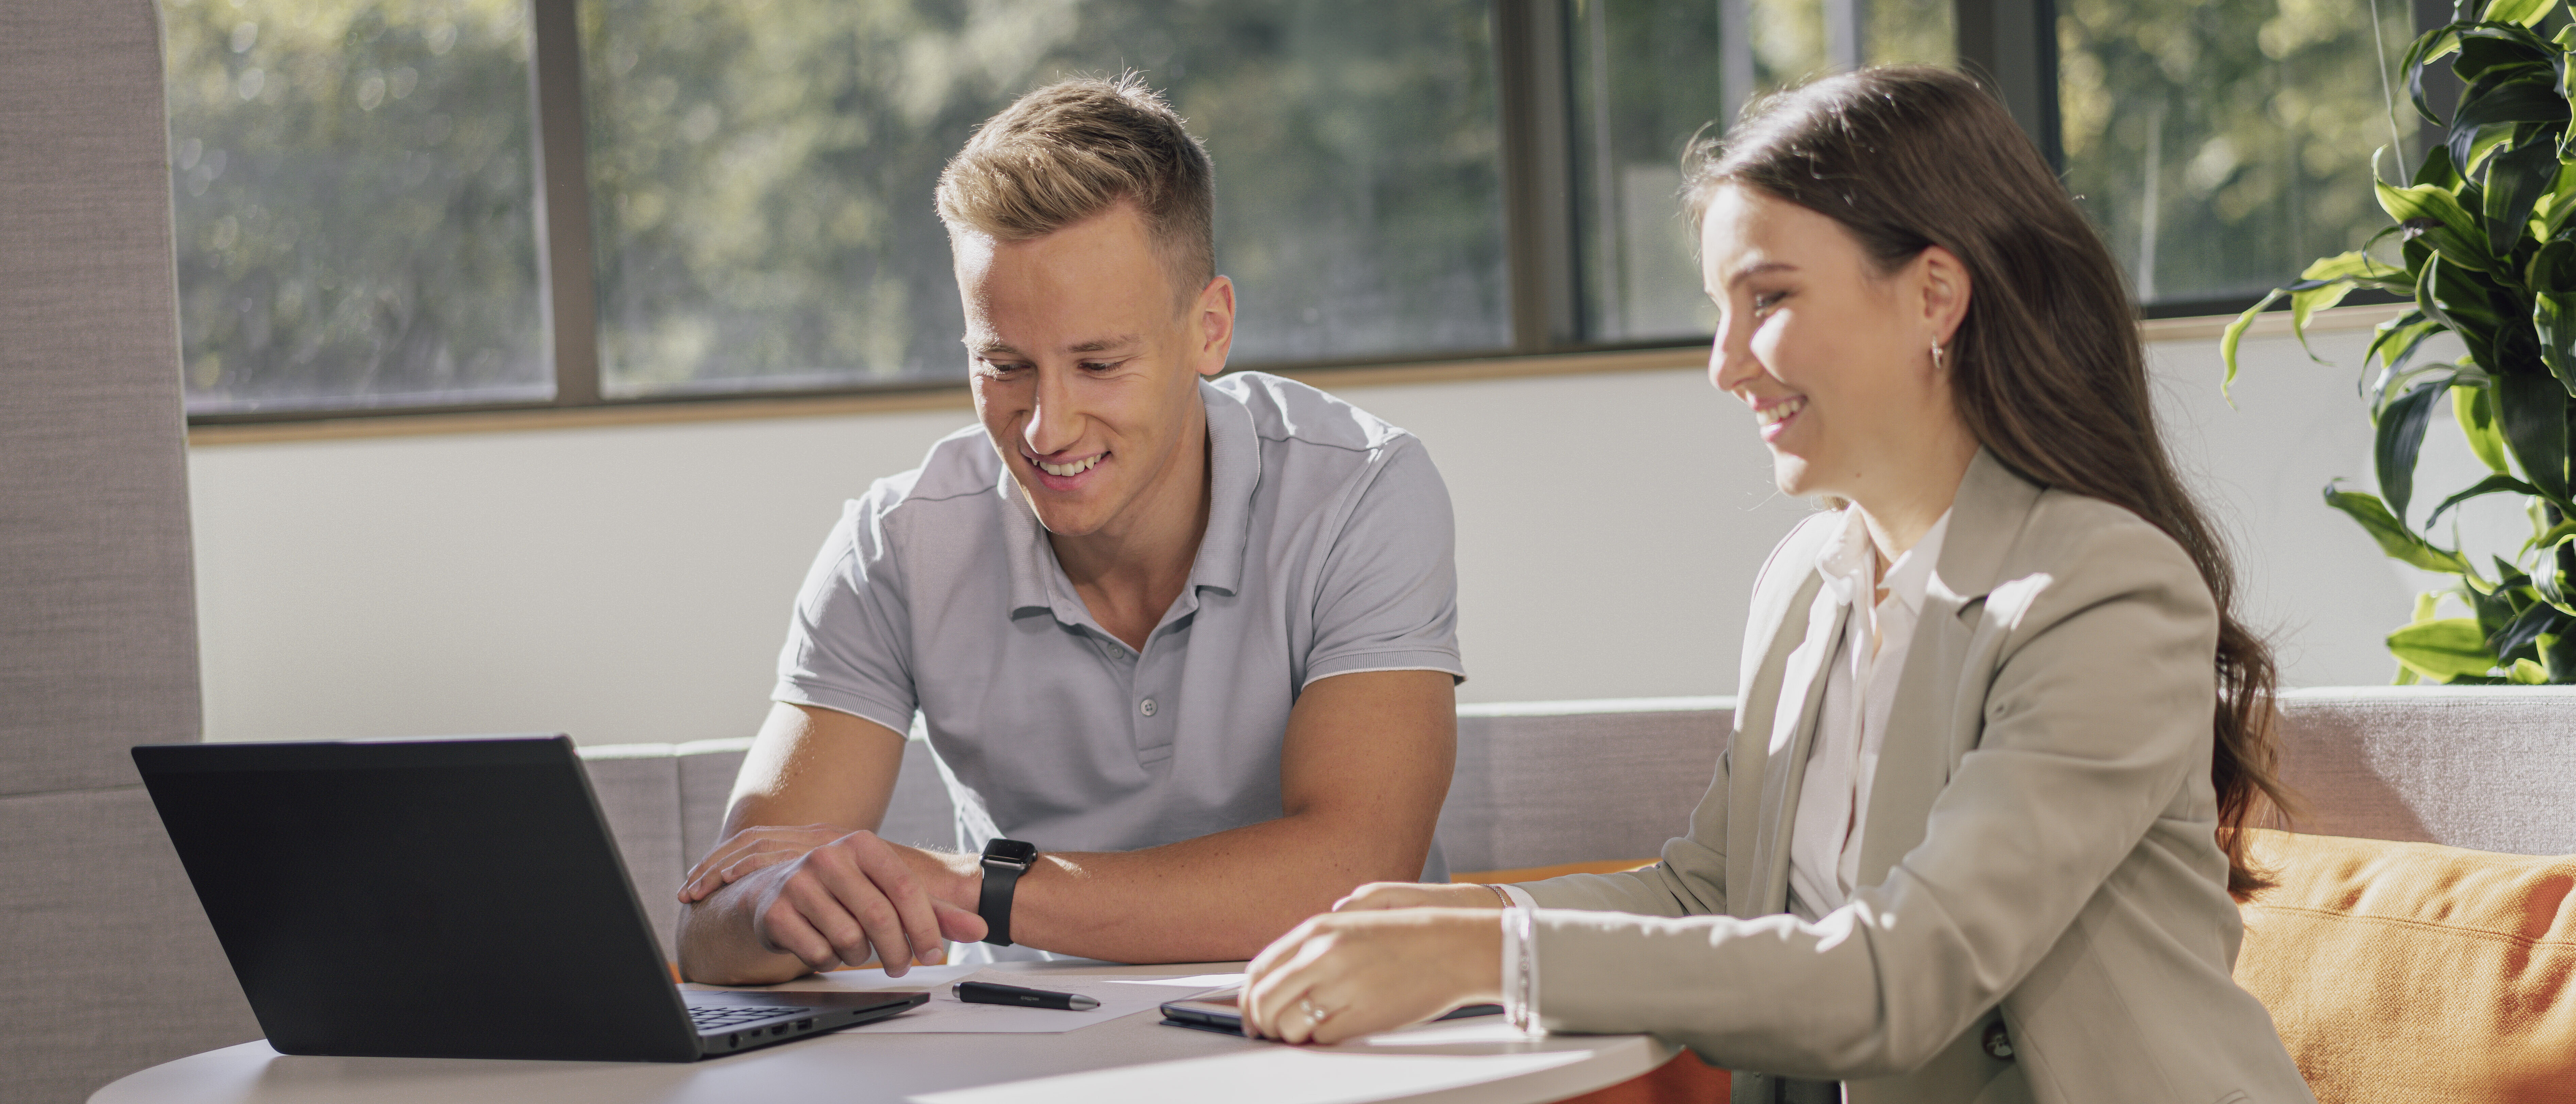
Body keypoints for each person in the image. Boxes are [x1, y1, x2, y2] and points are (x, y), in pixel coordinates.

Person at [1237, 66, 2317, 1104]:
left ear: (1935, 294)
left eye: (1770, 298)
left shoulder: (2104, 592)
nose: (1726, 362)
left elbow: (1902, 981)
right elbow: (1710, 895)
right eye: (1721, 308)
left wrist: (1495, 954)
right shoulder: (1809, 584)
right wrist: (1441, 918)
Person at [673, 75, 1465, 985]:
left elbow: (1351, 871)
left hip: (1332, 1040)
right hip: (1029, 1058)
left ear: (1210, 330)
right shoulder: (896, 546)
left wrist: (979, 888)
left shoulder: (1363, 490)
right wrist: (777, 906)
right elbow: (713, 928)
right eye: (1004, 366)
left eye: (1099, 363)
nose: (1047, 428)